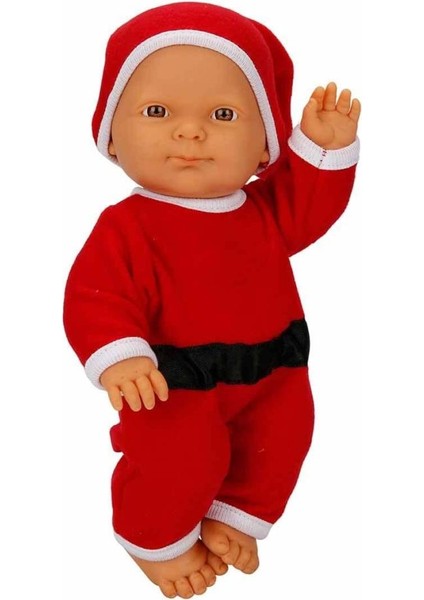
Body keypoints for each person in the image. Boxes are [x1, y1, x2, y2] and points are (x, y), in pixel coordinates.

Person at [63, 2, 360, 598]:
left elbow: (308, 206)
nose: (190, 132)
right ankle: (152, 537)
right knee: (180, 460)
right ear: (112, 136)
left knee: (282, 440)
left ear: (264, 148)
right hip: (174, 383)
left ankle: (235, 513)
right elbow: (95, 294)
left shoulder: (263, 212)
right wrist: (121, 355)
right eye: (157, 111)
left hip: (275, 370)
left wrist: (323, 149)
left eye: (223, 114)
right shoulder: (127, 227)